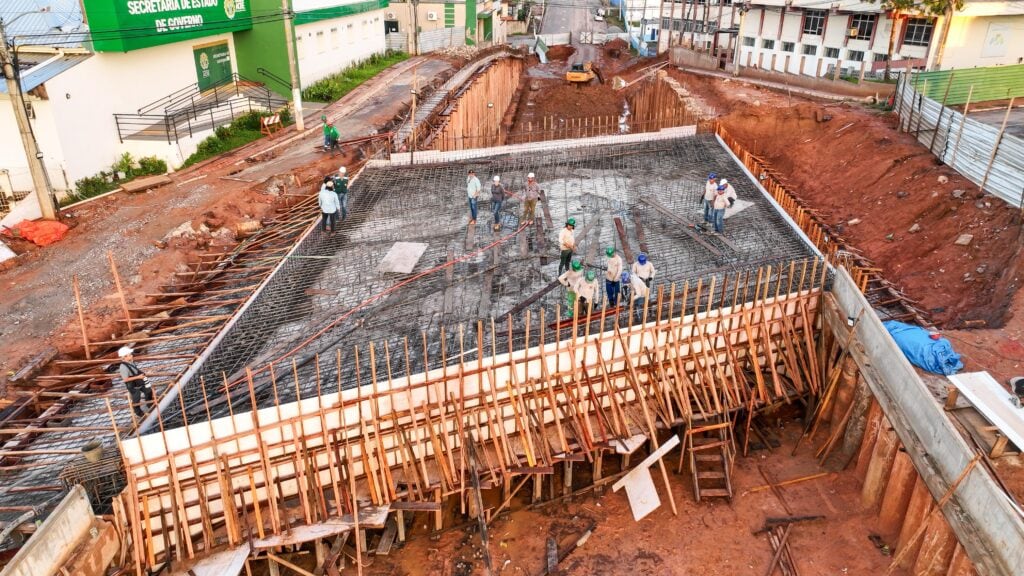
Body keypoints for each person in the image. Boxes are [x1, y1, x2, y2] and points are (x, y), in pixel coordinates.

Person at [118, 346, 153, 417]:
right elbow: (125, 379)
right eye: (129, 355)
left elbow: (136, 371)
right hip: (132, 385)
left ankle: (149, 403)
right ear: (124, 357)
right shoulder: (123, 367)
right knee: (136, 398)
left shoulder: (131, 362)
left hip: (138, 381)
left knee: (148, 390)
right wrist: (138, 377)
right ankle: (138, 412)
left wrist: (145, 374)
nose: (131, 355)